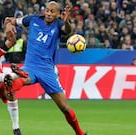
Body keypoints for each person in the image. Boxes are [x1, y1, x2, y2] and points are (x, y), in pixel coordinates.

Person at [5, 1, 87, 135]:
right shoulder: (33, 19)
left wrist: (66, 21)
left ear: (57, 14)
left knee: (65, 108)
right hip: (30, 66)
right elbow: (12, 21)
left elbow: (67, 31)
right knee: (20, 81)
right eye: (47, 10)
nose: (48, 13)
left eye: (52, 11)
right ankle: (11, 85)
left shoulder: (59, 24)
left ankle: (80, 133)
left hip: (47, 70)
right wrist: (8, 25)